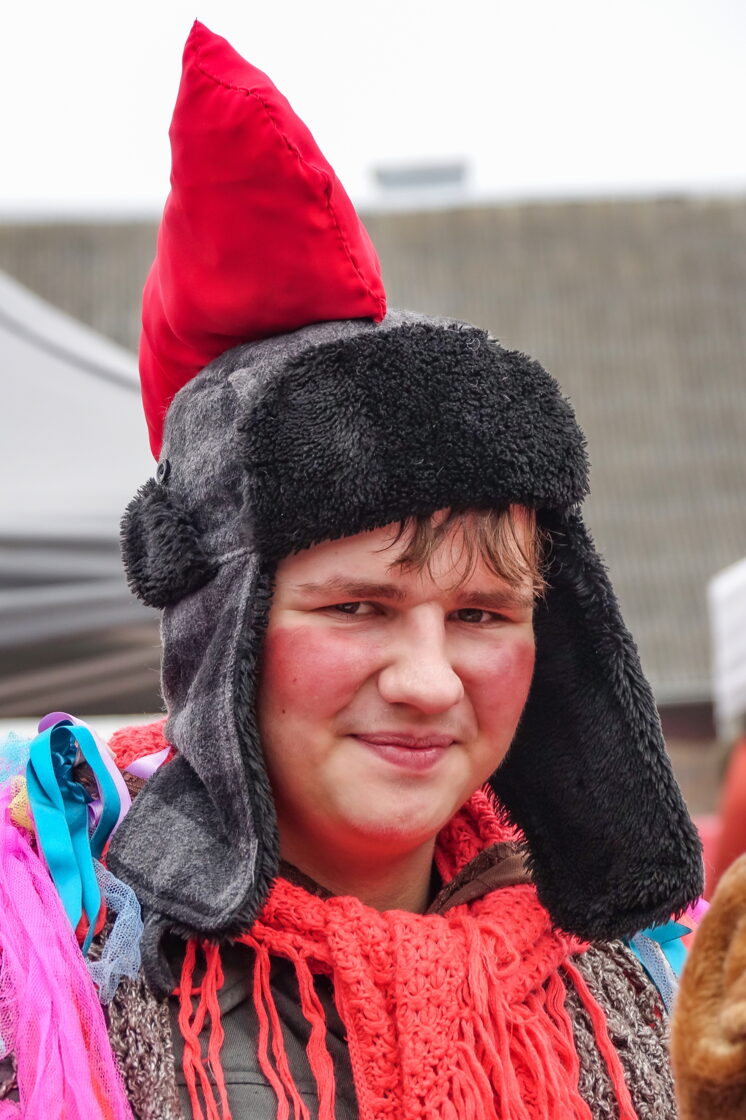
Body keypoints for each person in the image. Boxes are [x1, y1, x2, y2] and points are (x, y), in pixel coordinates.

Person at [0, 21, 704, 1120]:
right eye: (359, 606)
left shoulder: (651, 980)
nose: (427, 681)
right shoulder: (49, 980)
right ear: (220, 631)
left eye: (482, 613)